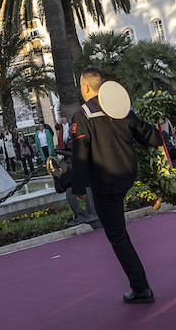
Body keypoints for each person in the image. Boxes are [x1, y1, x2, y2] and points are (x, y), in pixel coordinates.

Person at [70, 68, 164, 303]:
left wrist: (79, 188)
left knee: (118, 237)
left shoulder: (82, 116)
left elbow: (79, 156)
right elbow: (151, 137)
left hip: (104, 183)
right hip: (127, 175)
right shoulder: (121, 108)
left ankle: (142, 288)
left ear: (85, 88)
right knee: (120, 234)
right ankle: (140, 286)